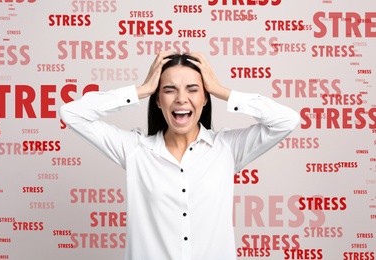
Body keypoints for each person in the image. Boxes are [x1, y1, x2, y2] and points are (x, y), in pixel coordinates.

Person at [59, 51, 300, 260]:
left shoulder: (226, 148)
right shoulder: (136, 150)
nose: (181, 99)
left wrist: (220, 90)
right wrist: (141, 90)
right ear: (158, 100)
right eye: (169, 90)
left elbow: (286, 120)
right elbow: (72, 113)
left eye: (193, 90)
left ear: (205, 98)